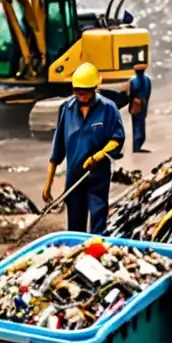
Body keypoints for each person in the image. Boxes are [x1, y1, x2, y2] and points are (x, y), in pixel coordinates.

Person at [43, 62, 125, 235]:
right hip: (74, 175)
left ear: (94, 88)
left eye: (85, 91)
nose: (80, 95)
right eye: (77, 91)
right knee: (75, 223)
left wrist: (99, 155)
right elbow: (57, 149)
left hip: (97, 174)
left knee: (98, 218)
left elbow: (117, 138)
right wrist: (48, 183)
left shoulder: (108, 108)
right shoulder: (67, 109)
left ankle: (96, 250)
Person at [128, 63, 151, 153]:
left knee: (136, 124)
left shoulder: (133, 81)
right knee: (141, 123)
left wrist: (130, 106)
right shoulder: (147, 80)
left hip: (135, 104)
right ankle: (139, 144)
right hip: (144, 102)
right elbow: (148, 93)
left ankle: (136, 145)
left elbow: (131, 95)